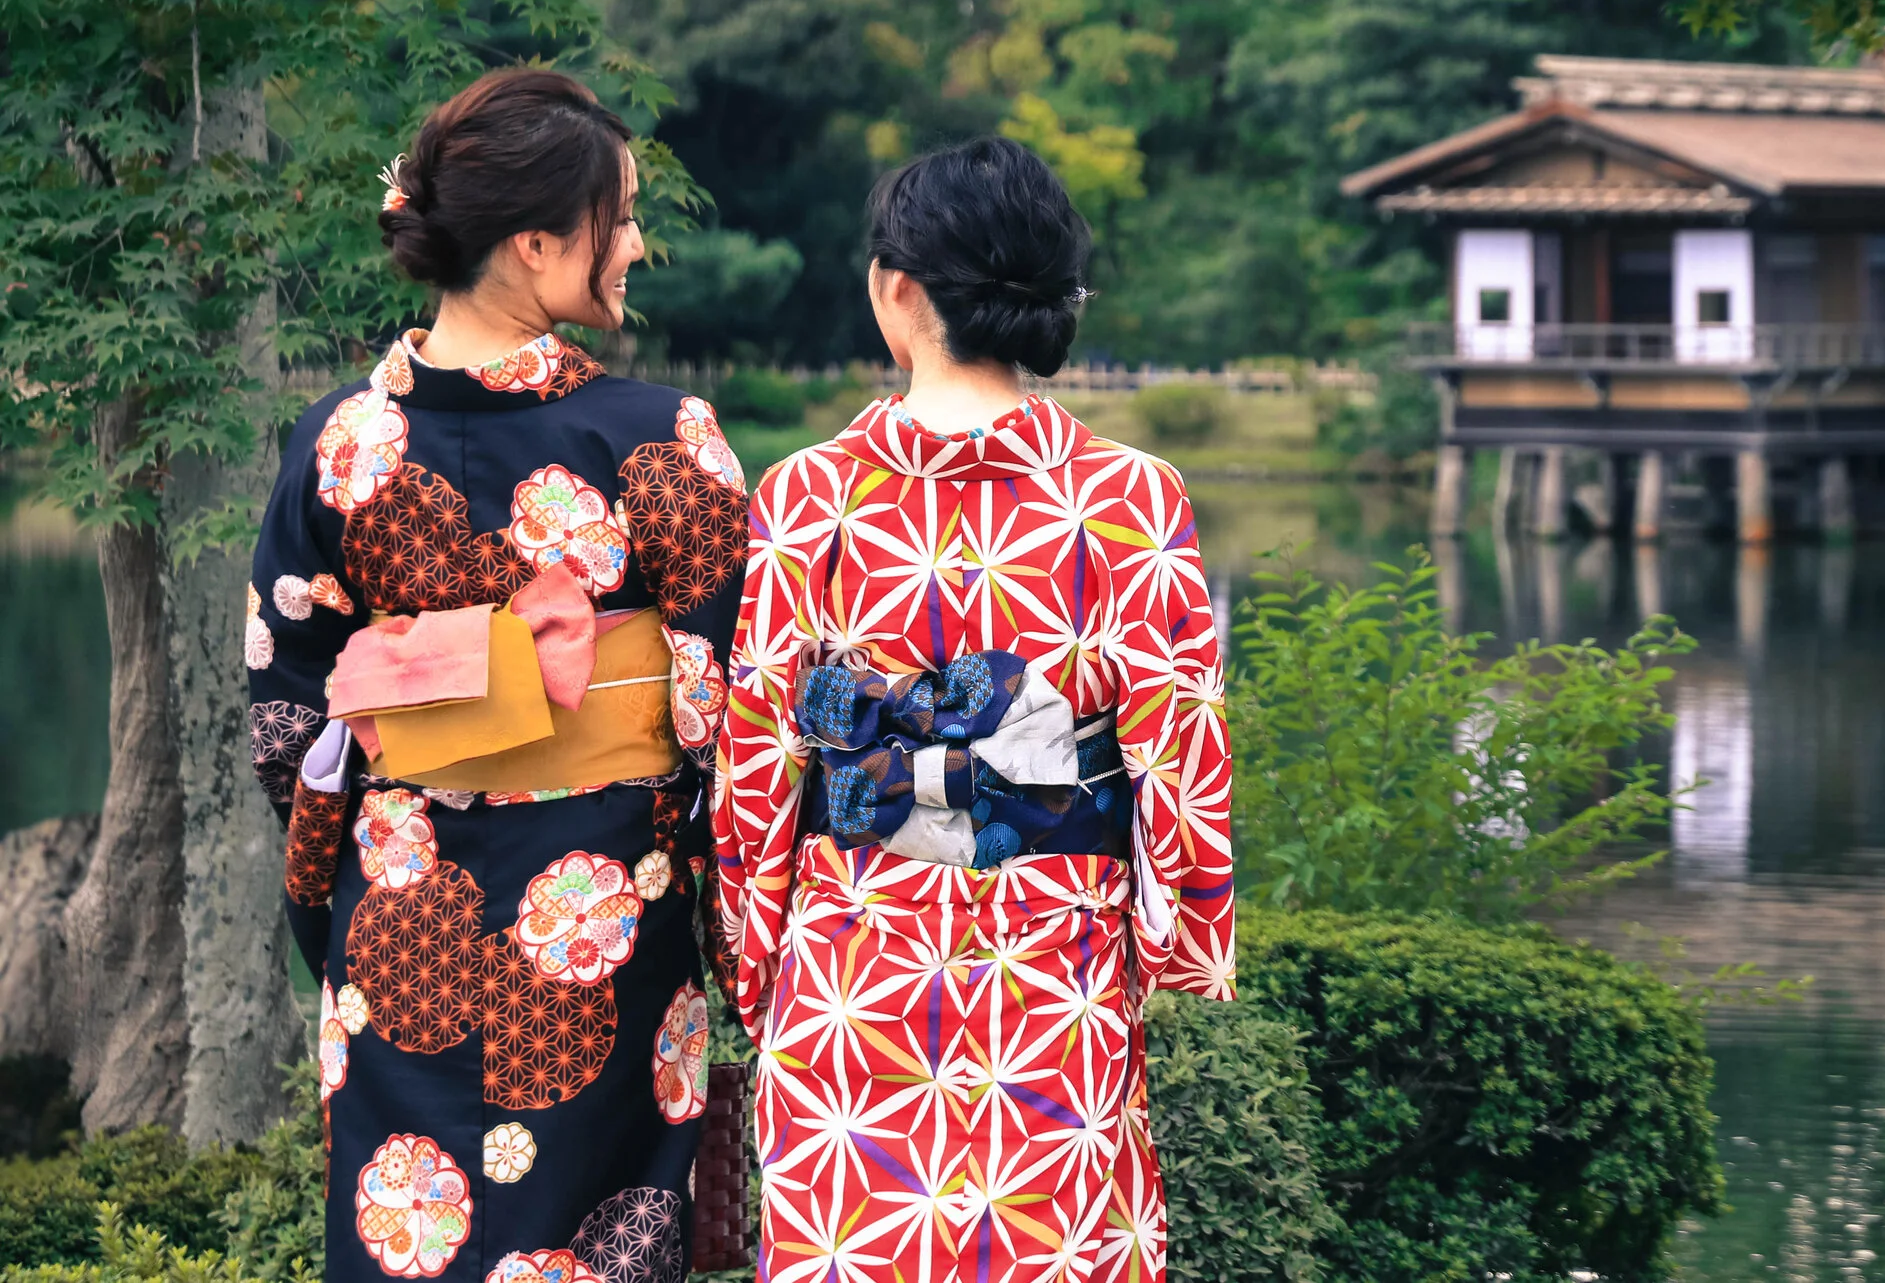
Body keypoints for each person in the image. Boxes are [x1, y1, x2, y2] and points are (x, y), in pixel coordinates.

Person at [247, 68, 745, 1283]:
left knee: (406, 1240)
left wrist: (350, 884)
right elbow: (738, 704)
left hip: (398, 918)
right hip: (602, 924)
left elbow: (287, 721)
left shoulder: (339, 444)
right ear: (534, 244)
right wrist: (720, 905)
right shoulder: (658, 436)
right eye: (616, 219)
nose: (636, 243)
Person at [715, 138, 1235, 1283]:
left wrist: (755, 956)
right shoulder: (1131, 495)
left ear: (896, 288)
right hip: (1058, 947)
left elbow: (757, 753)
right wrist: (1178, 948)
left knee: (854, 1243)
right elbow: (1179, 751)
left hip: (856, 948)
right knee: (1055, 1242)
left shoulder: (809, 490)